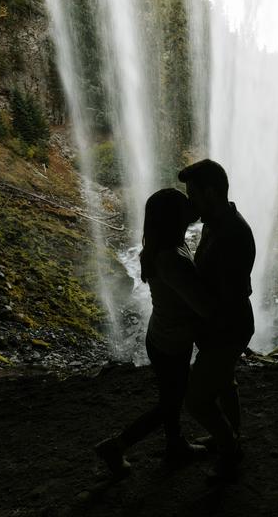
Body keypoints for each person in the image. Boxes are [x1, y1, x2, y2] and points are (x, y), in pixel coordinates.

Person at [94, 188, 214, 475]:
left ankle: (175, 446)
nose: (191, 203)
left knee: (169, 399)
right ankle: (117, 445)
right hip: (171, 342)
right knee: (170, 403)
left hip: (162, 336)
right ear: (174, 216)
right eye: (185, 204)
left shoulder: (166, 245)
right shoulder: (170, 256)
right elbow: (203, 307)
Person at [178, 159, 256, 482]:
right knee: (225, 382)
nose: (189, 201)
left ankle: (229, 449)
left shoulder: (232, 233)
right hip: (228, 324)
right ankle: (230, 434)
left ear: (211, 193)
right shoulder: (215, 221)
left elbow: (223, 296)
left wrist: (195, 316)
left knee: (195, 399)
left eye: (192, 194)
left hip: (227, 327)